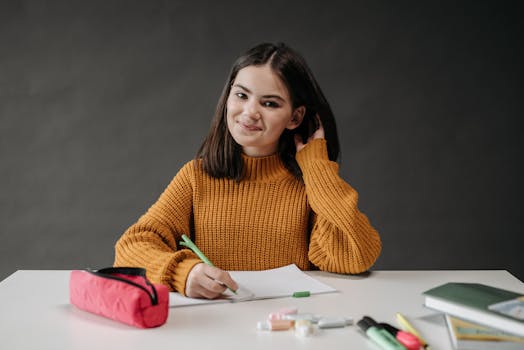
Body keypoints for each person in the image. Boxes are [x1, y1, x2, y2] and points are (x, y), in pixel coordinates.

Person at [114, 42, 382, 299]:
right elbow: (130, 248)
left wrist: (318, 170)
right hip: (214, 330)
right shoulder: (197, 176)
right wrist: (183, 273)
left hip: (289, 330)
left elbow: (356, 256)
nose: (250, 112)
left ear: (295, 118)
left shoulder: (311, 184)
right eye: (241, 95)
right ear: (228, 97)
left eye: (270, 103)